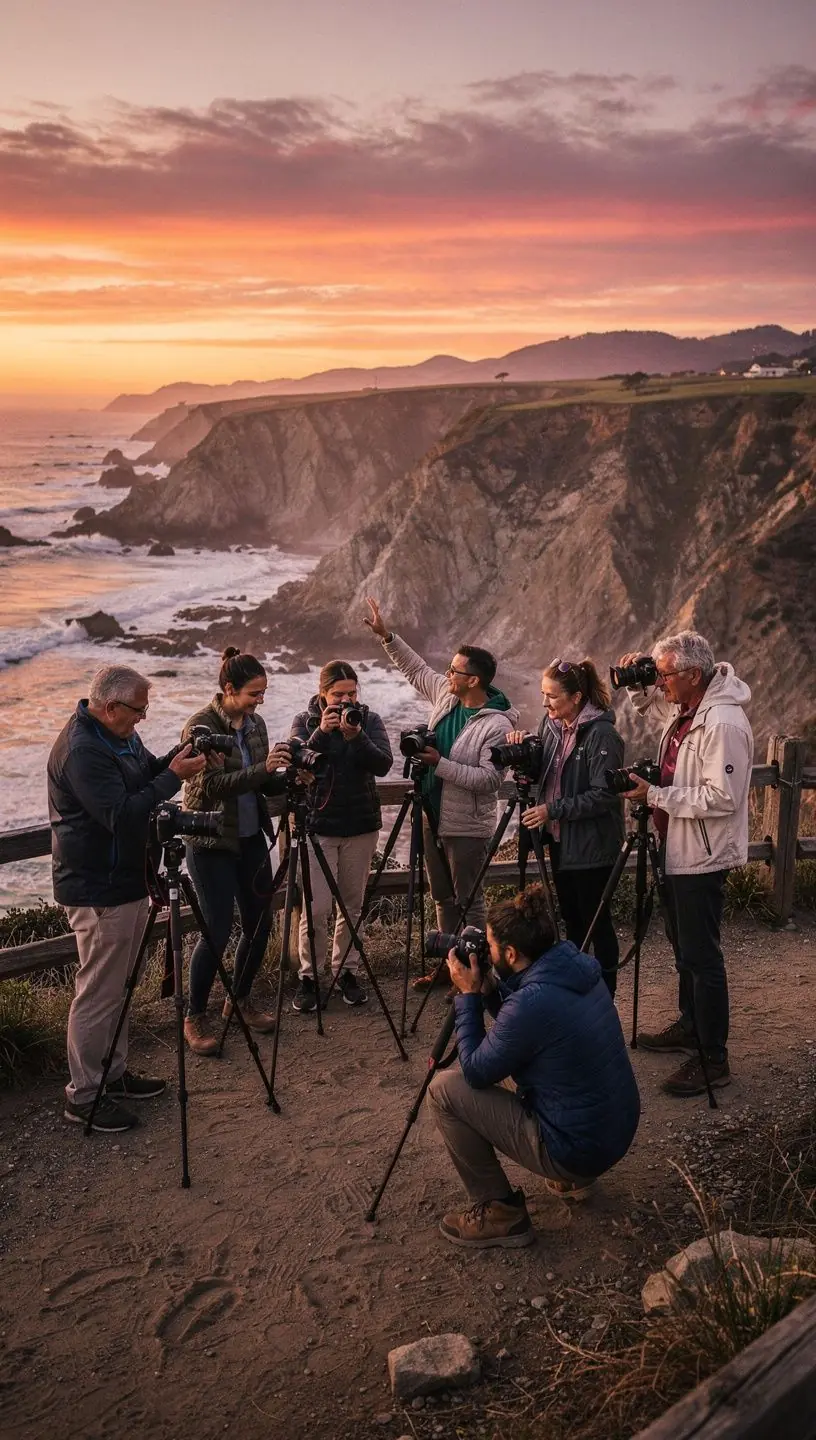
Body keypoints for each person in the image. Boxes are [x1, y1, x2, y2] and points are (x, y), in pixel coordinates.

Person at [426, 885, 640, 1248]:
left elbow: (477, 1071)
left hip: (576, 1148)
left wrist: (468, 997)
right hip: (614, 1130)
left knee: (443, 1091)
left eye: (490, 948)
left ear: (511, 953)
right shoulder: (575, 966)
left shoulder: (531, 1005)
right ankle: (578, 1180)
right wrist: (492, 988)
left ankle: (500, 1211)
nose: (486, 954)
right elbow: (522, 1029)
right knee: (525, 1060)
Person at [48, 664, 206, 1133]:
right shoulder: (82, 751)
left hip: (128, 880)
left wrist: (177, 759)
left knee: (117, 986)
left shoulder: (116, 735)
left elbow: (145, 774)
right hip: (99, 888)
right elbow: (122, 814)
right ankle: (84, 1096)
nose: (143, 718)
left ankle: (111, 1075)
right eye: (138, 710)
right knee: (98, 991)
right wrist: (173, 777)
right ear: (110, 706)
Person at [619, 631, 753, 1096]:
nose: (661, 684)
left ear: (692, 675)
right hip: (676, 847)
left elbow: (723, 797)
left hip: (703, 854)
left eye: (664, 675)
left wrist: (655, 795)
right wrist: (639, 686)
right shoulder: (688, 709)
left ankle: (714, 1058)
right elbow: (657, 709)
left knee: (702, 957)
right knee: (684, 950)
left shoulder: (724, 724)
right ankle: (690, 1024)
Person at [364, 596, 518, 989]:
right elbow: (416, 671)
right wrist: (387, 636)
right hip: (431, 816)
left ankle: (478, 975)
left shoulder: (496, 725)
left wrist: (439, 764)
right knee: (441, 898)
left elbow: (489, 781)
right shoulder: (448, 697)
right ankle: (451, 966)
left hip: (466, 824)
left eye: (455, 670)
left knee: (469, 900)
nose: (447, 673)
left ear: (474, 680)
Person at [181, 647, 291, 1055]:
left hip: (250, 839)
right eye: (254, 694)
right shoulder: (200, 726)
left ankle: (238, 1000)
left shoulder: (256, 726)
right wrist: (263, 771)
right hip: (211, 842)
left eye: (263, 693)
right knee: (216, 930)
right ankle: (194, 1015)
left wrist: (290, 777)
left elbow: (260, 785)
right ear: (229, 689)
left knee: (260, 924)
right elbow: (210, 786)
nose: (260, 701)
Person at [506, 657, 625, 996]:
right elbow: (542, 773)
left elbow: (605, 795)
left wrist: (552, 810)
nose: (545, 703)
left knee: (596, 927)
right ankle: (578, 1000)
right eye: (544, 695)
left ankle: (605, 1001)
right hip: (562, 843)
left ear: (576, 697)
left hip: (592, 847)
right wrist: (523, 754)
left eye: (553, 697)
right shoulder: (552, 725)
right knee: (572, 923)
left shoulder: (602, 734)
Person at [289, 660, 393, 1013]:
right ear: (323, 694)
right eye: (338, 694)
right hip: (318, 826)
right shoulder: (304, 722)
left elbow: (383, 764)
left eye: (351, 693)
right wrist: (322, 732)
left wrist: (356, 736)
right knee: (316, 908)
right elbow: (298, 762)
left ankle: (346, 971)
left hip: (361, 825)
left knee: (351, 905)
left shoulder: (369, 720)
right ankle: (309, 976)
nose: (346, 700)